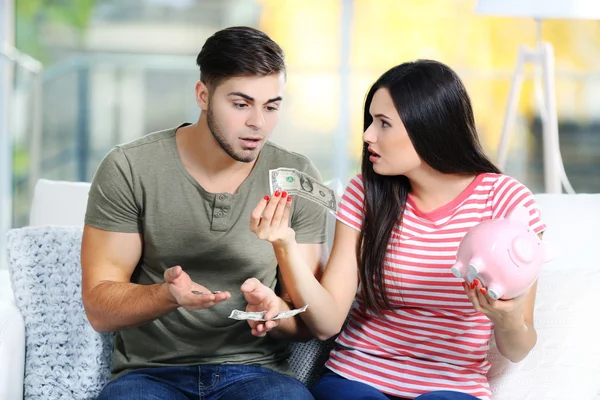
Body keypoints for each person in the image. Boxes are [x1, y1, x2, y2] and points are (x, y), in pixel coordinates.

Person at [250, 60, 547, 400]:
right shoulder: (365, 192)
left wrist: (506, 318)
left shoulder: (507, 202)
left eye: (383, 124)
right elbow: (328, 320)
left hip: (451, 389)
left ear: (428, 127)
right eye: (370, 121)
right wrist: (285, 244)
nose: (367, 136)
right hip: (357, 379)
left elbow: (518, 348)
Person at [81, 26, 328, 400]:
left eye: (271, 106)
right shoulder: (128, 167)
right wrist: (167, 295)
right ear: (203, 95)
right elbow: (100, 308)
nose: (257, 123)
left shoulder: (295, 177)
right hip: (151, 375)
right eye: (241, 104)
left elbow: (308, 320)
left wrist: (274, 310)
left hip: (256, 373)